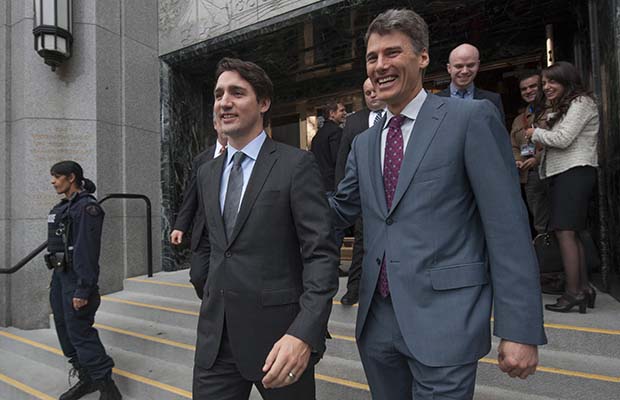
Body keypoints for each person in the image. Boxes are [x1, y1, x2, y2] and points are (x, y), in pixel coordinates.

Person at [330, 9, 546, 400]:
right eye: (372, 57)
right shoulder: (365, 141)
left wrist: (519, 328)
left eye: (392, 53)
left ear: (424, 57)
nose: (381, 66)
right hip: (377, 323)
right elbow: (339, 209)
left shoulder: (470, 119)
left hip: (446, 320)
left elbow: (508, 228)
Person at [192, 57, 339, 400]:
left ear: (263, 103)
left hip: (280, 340)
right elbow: (211, 241)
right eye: (218, 94)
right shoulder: (207, 173)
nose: (224, 102)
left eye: (237, 93)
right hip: (216, 343)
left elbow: (321, 255)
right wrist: (203, 280)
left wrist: (304, 333)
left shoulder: (296, 165)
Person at [524, 61, 599, 313]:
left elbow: (563, 139)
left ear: (567, 80)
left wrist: (535, 133)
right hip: (566, 173)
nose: (547, 87)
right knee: (570, 232)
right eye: (545, 83)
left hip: (574, 172)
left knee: (565, 232)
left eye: (552, 82)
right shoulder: (565, 106)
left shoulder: (581, 103)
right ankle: (583, 288)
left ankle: (574, 292)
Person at [46, 161, 122, 400]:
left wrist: (83, 289)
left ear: (71, 178)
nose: (53, 181)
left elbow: (87, 253)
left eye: (56, 177)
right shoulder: (64, 207)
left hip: (77, 280)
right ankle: (87, 378)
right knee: (64, 330)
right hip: (60, 277)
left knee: (80, 332)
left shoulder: (87, 208)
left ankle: (107, 388)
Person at [334, 78, 386, 305]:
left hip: (394, 195)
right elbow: (343, 160)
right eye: (367, 92)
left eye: (374, 90)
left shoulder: (396, 118)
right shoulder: (354, 122)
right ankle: (353, 289)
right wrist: (341, 194)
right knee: (361, 244)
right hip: (364, 196)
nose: (372, 95)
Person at [170, 123, 228, 299]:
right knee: (198, 276)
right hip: (205, 232)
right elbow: (191, 195)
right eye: (221, 121)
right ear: (215, 125)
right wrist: (180, 226)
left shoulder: (242, 157)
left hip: (231, 231)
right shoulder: (202, 160)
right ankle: (213, 305)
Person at [510, 71, 549, 234]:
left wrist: (537, 159)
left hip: (553, 171)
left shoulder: (554, 110)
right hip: (530, 176)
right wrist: (518, 159)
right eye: (524, 89)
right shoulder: (519, 120)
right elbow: (513, 146)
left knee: (561, 221)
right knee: (539, 219)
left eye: (533, 86)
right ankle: (547, 251)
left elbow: (560, 139)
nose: (528, 91)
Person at [437, 43, 505, 122]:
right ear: (449, 68)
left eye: (470, 65)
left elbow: (498, 133)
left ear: (478, 65)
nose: (465, 71)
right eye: (459, 66)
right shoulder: (434, 101)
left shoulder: (492, 100)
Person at [310, 101, 346, 193]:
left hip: (320, 185)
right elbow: (339, 159)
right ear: (332, 113)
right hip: (334, 184)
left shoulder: (317, 136)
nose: (345, 113)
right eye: (341, 111)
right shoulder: (336, 132)